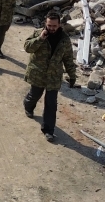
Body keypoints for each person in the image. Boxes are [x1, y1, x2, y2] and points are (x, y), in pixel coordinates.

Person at [23, 10, 77, 142]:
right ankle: (28, 106)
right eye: (49, 25)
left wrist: (72, 75)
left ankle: (48, 130)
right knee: (34, 95)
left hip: (53, 76)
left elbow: (68, 59)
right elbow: (27, 47)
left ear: (59, 24)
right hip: (38, 74)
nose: (52, 28)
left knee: (51, 103)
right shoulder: (38, 34)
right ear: (45, 24)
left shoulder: (64, 40)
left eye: (54, 25)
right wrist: (40, 38)